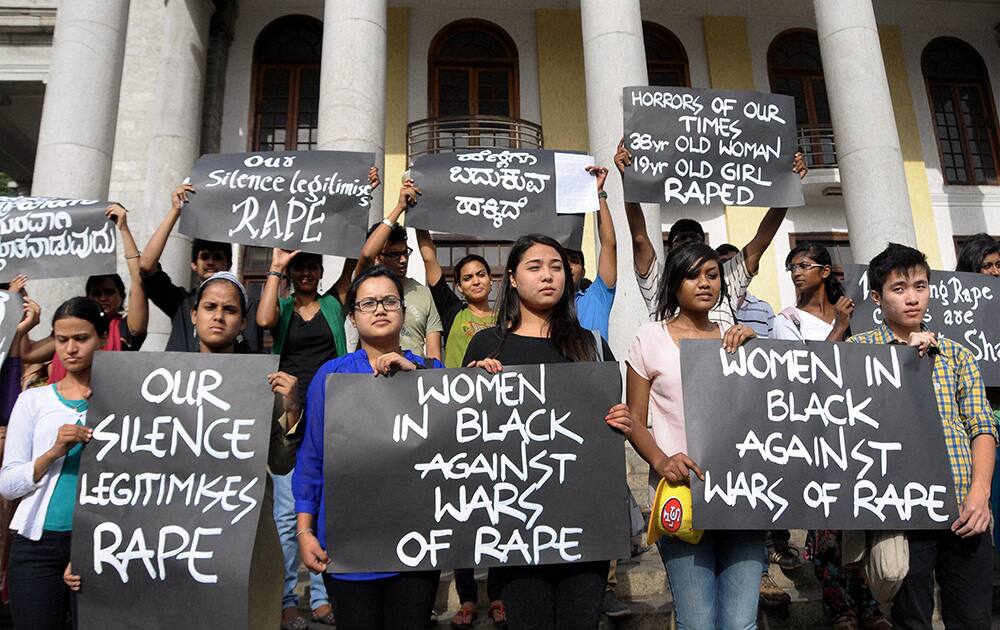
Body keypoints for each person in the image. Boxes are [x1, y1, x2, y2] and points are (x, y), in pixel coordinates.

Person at [61, 273, 306, 627]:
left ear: (242, 322)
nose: (218, 316)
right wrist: (89, 548)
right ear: (193, 315)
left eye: (229, 310)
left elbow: (281, 465)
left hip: (244, 543)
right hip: (171, 545)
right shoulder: (151, 383)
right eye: (210, 307)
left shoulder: (262, 386)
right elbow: (122, 478)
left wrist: (292, 410)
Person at [462, 234, 633, 630]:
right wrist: (468, 390)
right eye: (535, 267)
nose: (548, 276)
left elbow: (607, 423)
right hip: (516, 527)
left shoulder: (591, 344)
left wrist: (621, 420)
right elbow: (466, 440)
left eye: (556, 267)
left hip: (584, 522)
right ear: (513, 278)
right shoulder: (488, 346)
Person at [850, 244, 996, 630]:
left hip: (966, 510)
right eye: (899, 289)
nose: (912, 297)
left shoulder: (957, 355)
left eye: (920, 285)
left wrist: (980, 494)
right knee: (910, 620)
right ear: (877, 298)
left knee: (973, 619)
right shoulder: (856, 353)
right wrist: (902, 362)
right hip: (900, 512)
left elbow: (981, 426)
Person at [294, 265, 445, 628]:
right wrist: (304, 530)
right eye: (368, 303)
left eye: (390, 301)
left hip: (417, 547)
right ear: (353, 316)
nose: (380, 309)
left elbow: (459, 445)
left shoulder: (432, 372)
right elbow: (312, 458)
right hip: (350, 549)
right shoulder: (331, 376)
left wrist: (417, 379)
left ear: (405, 312)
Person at [625, 241, 762, 630]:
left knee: (741, 624)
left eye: (712, 274)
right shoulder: (648, 338)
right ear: (673, 283)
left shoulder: (740, 340)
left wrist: (760, 354)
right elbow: (633, 418)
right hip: (682, 494)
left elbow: (771, 411)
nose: (704, 283)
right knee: (697, 622)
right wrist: (661, 460)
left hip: (745, 493)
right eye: (692, 275)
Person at [773, 243, 890, 630]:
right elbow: (802, 374)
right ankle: (840, 604)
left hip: (858, 430)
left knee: (861, 515)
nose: (795, 272)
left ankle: (869, 602)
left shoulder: (857, 317)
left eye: (804, 265)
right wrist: (839, 329)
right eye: (791, 267)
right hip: (816, 432)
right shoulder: (786, 320)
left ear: (825, 272)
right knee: (827, 520)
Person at [615, 140, 807, 325]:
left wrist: (789, 185)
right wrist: (628, 180)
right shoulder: (659, 282)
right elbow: (639, 236)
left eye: (695, 238)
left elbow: (763, 238)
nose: (689, 242)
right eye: (682, 238)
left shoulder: (725, 281)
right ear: (670, 248)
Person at [413, 231, 502, 627]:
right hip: (460, 424)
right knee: (465, 513)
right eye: (467, 277)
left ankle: (499, 595)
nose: (476, 281)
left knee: (501, 512)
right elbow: (431, 260)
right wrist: (420, 221)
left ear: (492, 279)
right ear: (459, 286)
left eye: (481, 274)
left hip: (503, 425)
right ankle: (467, 598)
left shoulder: (509, 318)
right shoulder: (451, 312)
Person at [0, 297, 104, 630]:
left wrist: (89, 549)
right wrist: (52, 452)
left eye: (81, 339)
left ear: (101, 338)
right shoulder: (33, 400)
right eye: (62, 340)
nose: (71, 349)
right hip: (36, 547)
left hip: (98, 544)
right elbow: (8, 483)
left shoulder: (123, 401)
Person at [257, 249, 347, 629]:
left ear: (322, 270)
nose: (306, 272)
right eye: (300, 267)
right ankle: (287, 599)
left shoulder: (333, 303)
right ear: (292, 272)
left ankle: (323, 596)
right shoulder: (281, 305)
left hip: (331, 412)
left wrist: (376, 204)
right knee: (286, 510)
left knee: (326, 505)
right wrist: (276, 267)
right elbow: (263, 321)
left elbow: (363, 253)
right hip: (287, 417)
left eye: (312, 266)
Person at [22, 203, 149, 377]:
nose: (103, 298)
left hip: (108, 402)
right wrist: (21, 307)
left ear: (122, 296)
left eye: (109, 292)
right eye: (96, 293)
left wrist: (124, 229)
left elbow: (138, 280)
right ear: (87, 297)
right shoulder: (70, 331)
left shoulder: (126, 329)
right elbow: (27, 354)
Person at [138, 183, 262, 352]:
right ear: (194, 314)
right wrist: (175, 211)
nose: (210, 262)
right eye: (204, 257)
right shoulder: (181, 301)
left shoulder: (248, 305)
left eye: (217, 257)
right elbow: (146, 266)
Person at [357, 180, 443, 362]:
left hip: (413, 381)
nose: (403, 260)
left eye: (405, 253)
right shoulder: (362, 287)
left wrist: (419, 209)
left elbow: (434, 354)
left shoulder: (423, 293)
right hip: (368, 380)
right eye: (394, 255)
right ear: (378, 257)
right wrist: (399, 208)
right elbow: (365, 255)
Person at [955, 234, 1000, 551]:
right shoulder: (953, 314)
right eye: (987, 266)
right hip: (982, 425)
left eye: (999, 265)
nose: (995, 272)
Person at [568, 165, 617, 342]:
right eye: (559, 263)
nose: (567, 267)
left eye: (573, 261)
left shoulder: (598, 297)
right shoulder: (542, 309)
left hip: (597, 370)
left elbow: (609, 245)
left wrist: (599, 194)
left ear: (583, 271)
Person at [716, 243, 774, 339]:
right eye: (723, 262)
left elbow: (775, 347)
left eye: (733, 262)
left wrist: (754, 339)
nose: (730, 267)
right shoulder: (710, 308)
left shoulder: (764, 309)